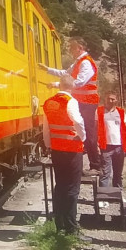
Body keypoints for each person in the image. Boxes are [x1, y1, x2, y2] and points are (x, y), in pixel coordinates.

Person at [40, 37, 101, 173]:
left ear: (79, 48)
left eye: (72, 48)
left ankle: (96, 165)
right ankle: (92, 161)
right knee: (83, 129)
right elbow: (66, 74)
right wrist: (48, 70)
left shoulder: (86, 63)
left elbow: (79, 82)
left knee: (89, 133)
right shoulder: (79, 62)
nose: (70, 51)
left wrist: (57, 84)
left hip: (88, 102)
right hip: (83, 101)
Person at [42, 79, 86, 234]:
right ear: (72, 87)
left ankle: (59, 223)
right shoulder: (71, 101)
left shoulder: (48, 103)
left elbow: (46, 128)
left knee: (60, 186)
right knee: (72, 188)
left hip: (56, 150)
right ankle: (71, 227)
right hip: (72, 150)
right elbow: (78, 121)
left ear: (60, 85)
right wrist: (83, 137)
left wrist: (48, 145)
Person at [97, 90, 126, 189]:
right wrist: (96, 145)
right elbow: (95, 129)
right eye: (108, 98)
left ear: (116, 100)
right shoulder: (99, 111)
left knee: (118, 174)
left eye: (113, 99)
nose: (110, 100)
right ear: (105, 99)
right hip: (106, 147)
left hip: (119, 147)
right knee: (105, 174)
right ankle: (103, 199)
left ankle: (118, 195)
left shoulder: (121, 112)